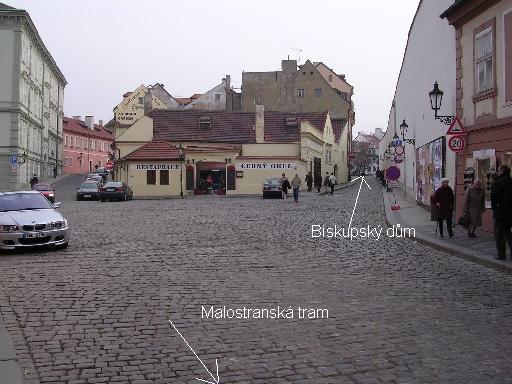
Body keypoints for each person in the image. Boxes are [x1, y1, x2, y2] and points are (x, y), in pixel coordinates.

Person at [491, 164, 512, 260]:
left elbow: (494, 198)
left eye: (499, 170)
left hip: (500, 212)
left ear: (502, 171)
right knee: (508, 234)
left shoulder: (498, 182)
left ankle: (502, 254)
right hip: (510, 212)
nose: (497, 172)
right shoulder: (511, 181)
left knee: (499, 235)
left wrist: (494, 208)